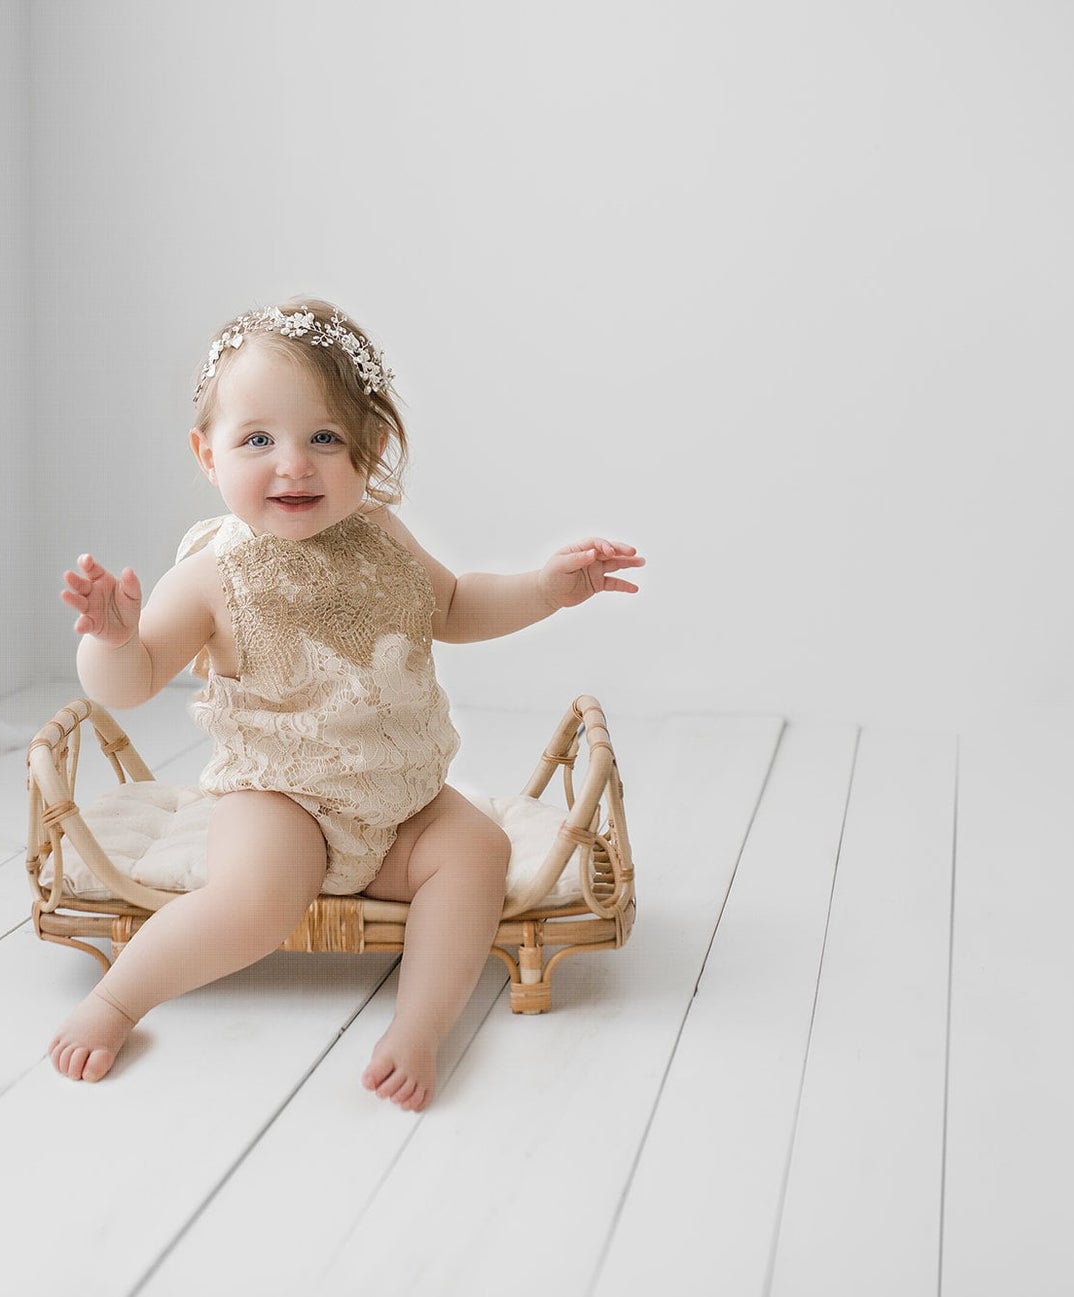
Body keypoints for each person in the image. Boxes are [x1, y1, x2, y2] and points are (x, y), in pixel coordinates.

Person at [48, 298, 642, 1110]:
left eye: (325, 437)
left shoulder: (382, 537)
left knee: (477, 852)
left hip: (401, 805)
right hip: (280, 796)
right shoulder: (215, 572)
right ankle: (118, 999)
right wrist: (113, 640)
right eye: (257, 439)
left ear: (368, 450)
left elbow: (458, 605)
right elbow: (133, 677)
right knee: (257, 901)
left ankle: (419, 1028)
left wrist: (545, 589)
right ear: (206, 453)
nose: (294, 464)